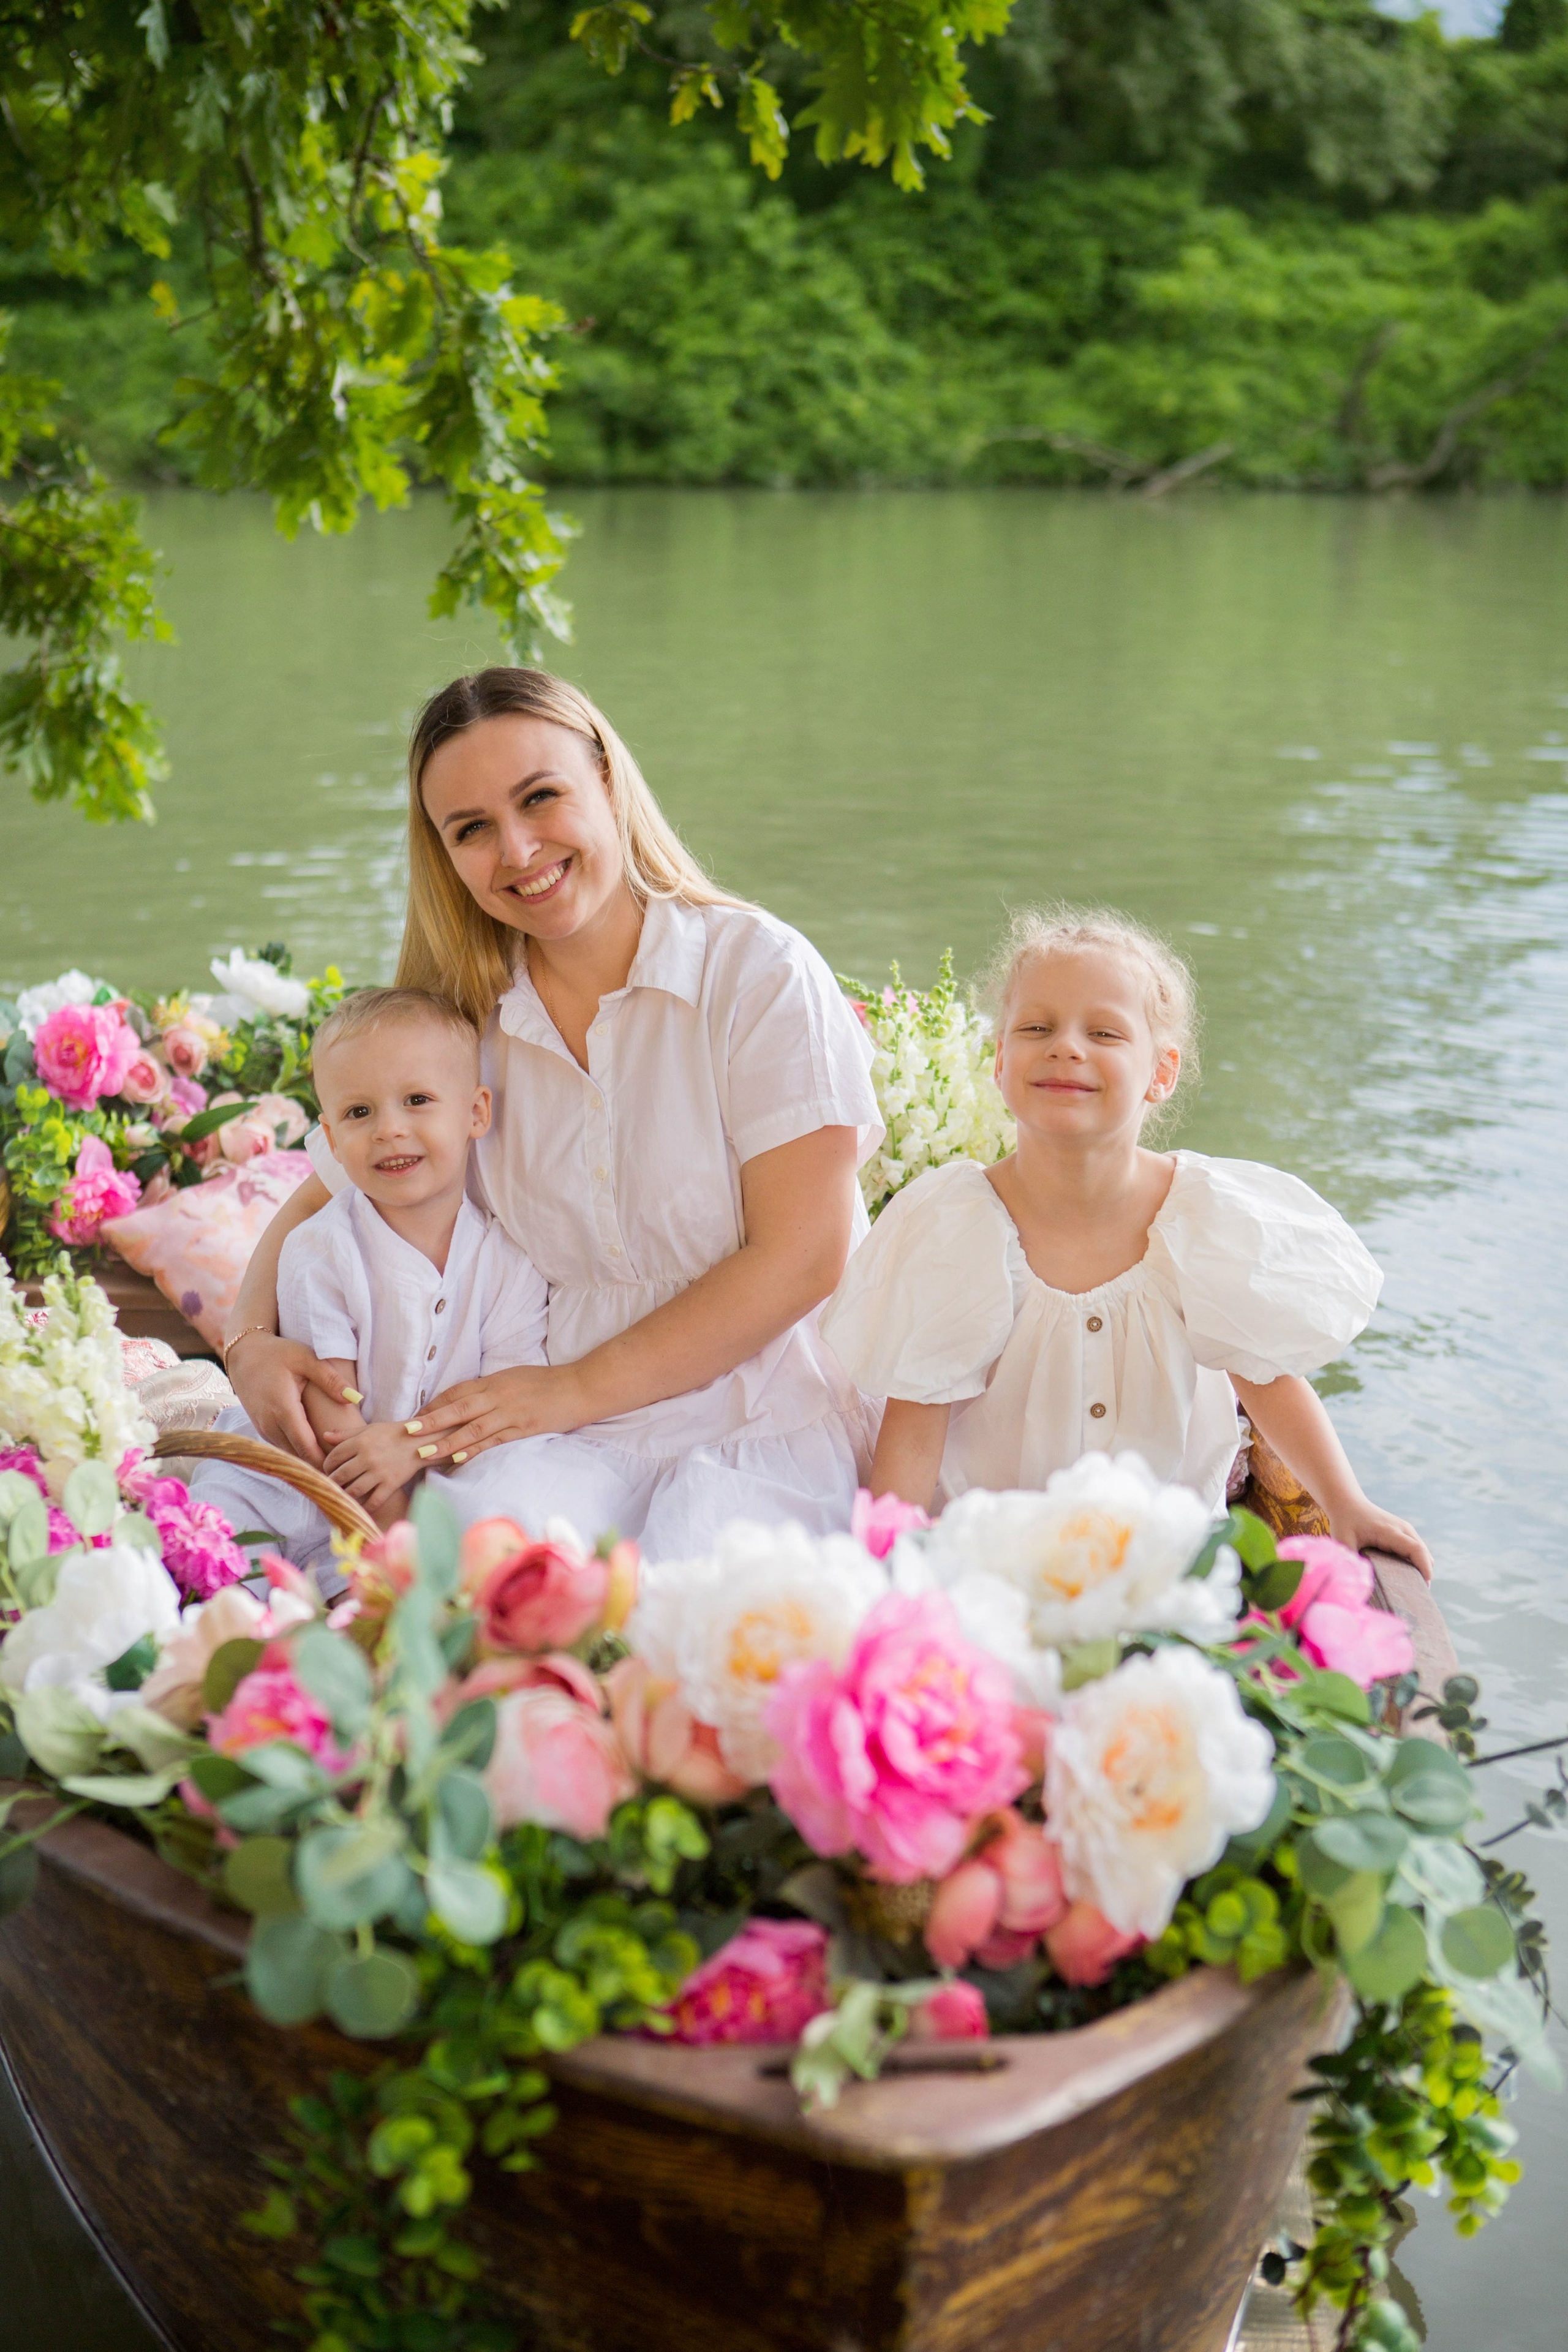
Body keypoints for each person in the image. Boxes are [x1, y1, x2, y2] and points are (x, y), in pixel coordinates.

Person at [212, 667, 881, 1560]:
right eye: (473, 830)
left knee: (694, 1616)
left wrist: (574, 1387)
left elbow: (803, 1258)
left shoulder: (755, 973)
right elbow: (312, 1204)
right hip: (543, 1423)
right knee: (458, 1584)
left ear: (606, 779)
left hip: (757, 1407)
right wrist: (248, 1347)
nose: (519, 850)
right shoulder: (460, 1021)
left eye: (541, 798)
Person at [819, 905, 1432, 1575]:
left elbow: (1268, 1381)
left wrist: (1346, 1504)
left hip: (1163, 1567)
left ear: (1161, 1073)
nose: (1066, 1047)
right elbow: (914, 1425)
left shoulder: (1203, 1219)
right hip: (993, 1566)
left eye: (1104, 1032)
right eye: (1035, 1027)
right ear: (998, 1060)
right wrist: (881, 1574)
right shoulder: (953, 1225)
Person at [194, 987, 549, 1580]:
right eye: (360, 1113)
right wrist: (405, 1562)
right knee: (224, 1566)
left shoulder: (507, 1260)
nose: (389, 1130)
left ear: (475, 1113)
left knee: (508, 1535)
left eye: (417, 1100)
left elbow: (507, 1402)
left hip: (421, 1481)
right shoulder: (322, 1251)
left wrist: (418, 1478)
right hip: (291, 1487)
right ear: (331, 1142)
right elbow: (337, 1432)